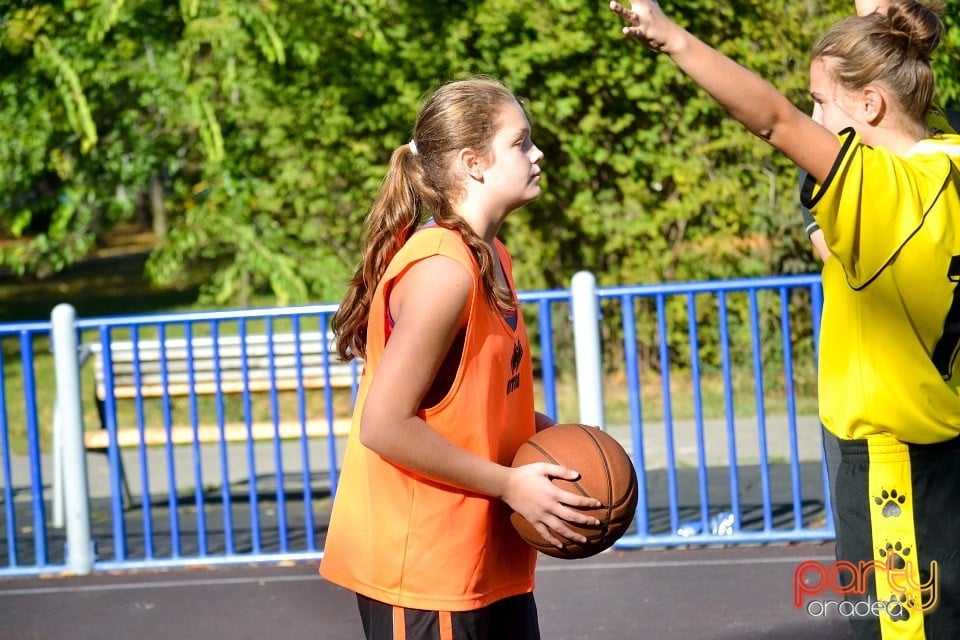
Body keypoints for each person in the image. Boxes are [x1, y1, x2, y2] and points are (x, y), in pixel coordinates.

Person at [610, 2, 960, 639]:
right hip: (945, 454)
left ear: (871, 104)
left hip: (891, 467)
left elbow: (772, 119)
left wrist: (674, 38)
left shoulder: (886, 190)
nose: (817, 119)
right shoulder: (951, 161)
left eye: (823, 102)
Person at [319, 76, 603, 640]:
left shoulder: (491, 255)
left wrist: (556, 440)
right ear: (474, 163)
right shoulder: (443, 272)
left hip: (483, 564)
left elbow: (474, 407)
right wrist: (509, 483)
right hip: (425, 571)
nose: (537, 153)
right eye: (520, 142)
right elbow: (383, 424)